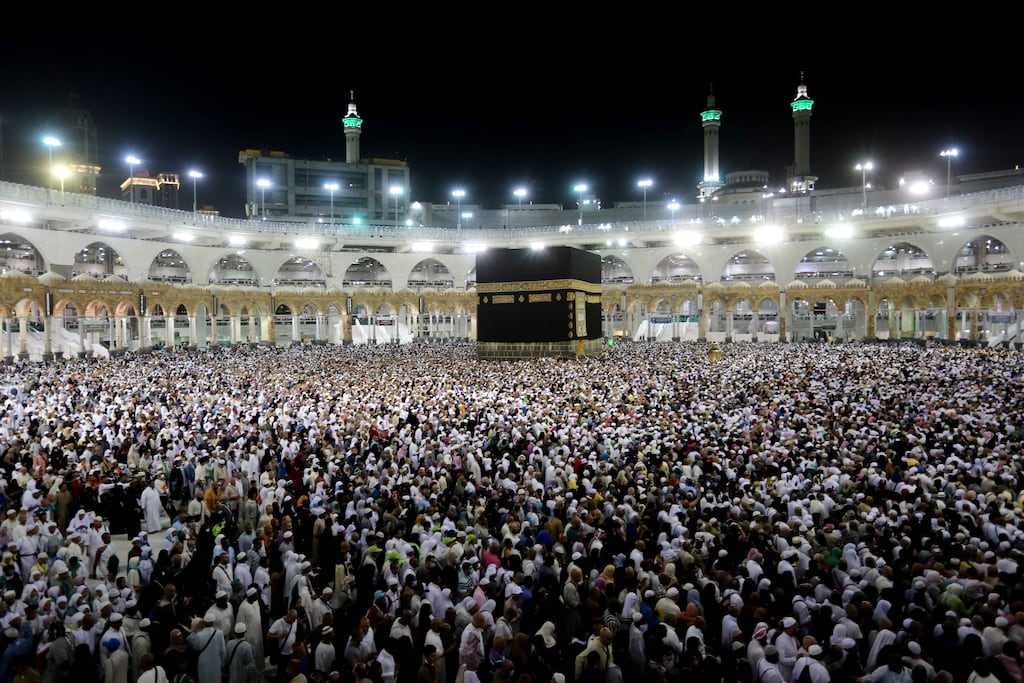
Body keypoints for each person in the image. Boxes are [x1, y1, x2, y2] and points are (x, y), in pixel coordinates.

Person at [187, 616, 226, 683]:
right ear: (213, 622)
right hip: (216, 661)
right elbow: (223, 651)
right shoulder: (219, 633)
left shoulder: (198, 635)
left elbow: (196, 648)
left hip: (203, 662)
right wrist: (223, 663)